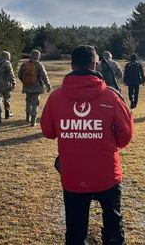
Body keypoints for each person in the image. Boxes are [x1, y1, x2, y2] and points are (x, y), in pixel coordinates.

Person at [41, 45, 134, 245]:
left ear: (71, 64)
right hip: (107, 173)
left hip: (73, 174)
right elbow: (125, 137)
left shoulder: (56, 98)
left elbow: (48, 132)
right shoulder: (112, 97)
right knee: (113, 229)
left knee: (75, 232)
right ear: (95, 64)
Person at [18, 49, 52, 126]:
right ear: (38, 56)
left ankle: (27, 118)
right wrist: (48, 86)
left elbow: (20, 75)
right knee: (35, 103)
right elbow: (44, 77)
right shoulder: (39, 65)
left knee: (28, 101)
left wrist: (25, 82)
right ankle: (33, 121)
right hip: (36, 87)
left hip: (27, 86)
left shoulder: (24, 64)